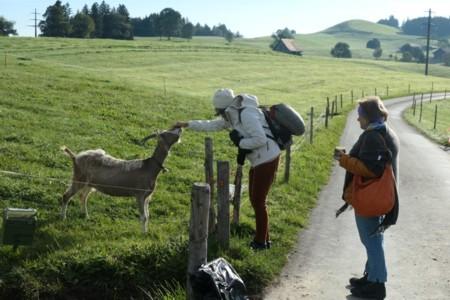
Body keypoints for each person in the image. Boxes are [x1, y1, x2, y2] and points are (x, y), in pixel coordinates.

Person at [173, 88, 280, 250]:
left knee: (258, 201)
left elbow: (260, 139)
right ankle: (264, 239)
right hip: (259, 160)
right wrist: (187, 124)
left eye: (219, 111)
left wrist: (241, 143)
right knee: (256, 200)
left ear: (224, 108)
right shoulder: (233, 114)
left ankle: (260, 243)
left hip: (267, 158)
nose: (219, 114)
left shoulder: (246, 114)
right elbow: (212, 125)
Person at [334, 96, 399, 300]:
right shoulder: (383, 130)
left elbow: (371, 169)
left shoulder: (373, 136)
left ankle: (377, 285)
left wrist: (344, 160)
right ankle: (371, 277)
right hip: (379, 195)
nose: (357, 119)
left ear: (368, 116)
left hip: (370, 195)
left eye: (360, 115)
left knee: (371, 241)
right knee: (373, 239)